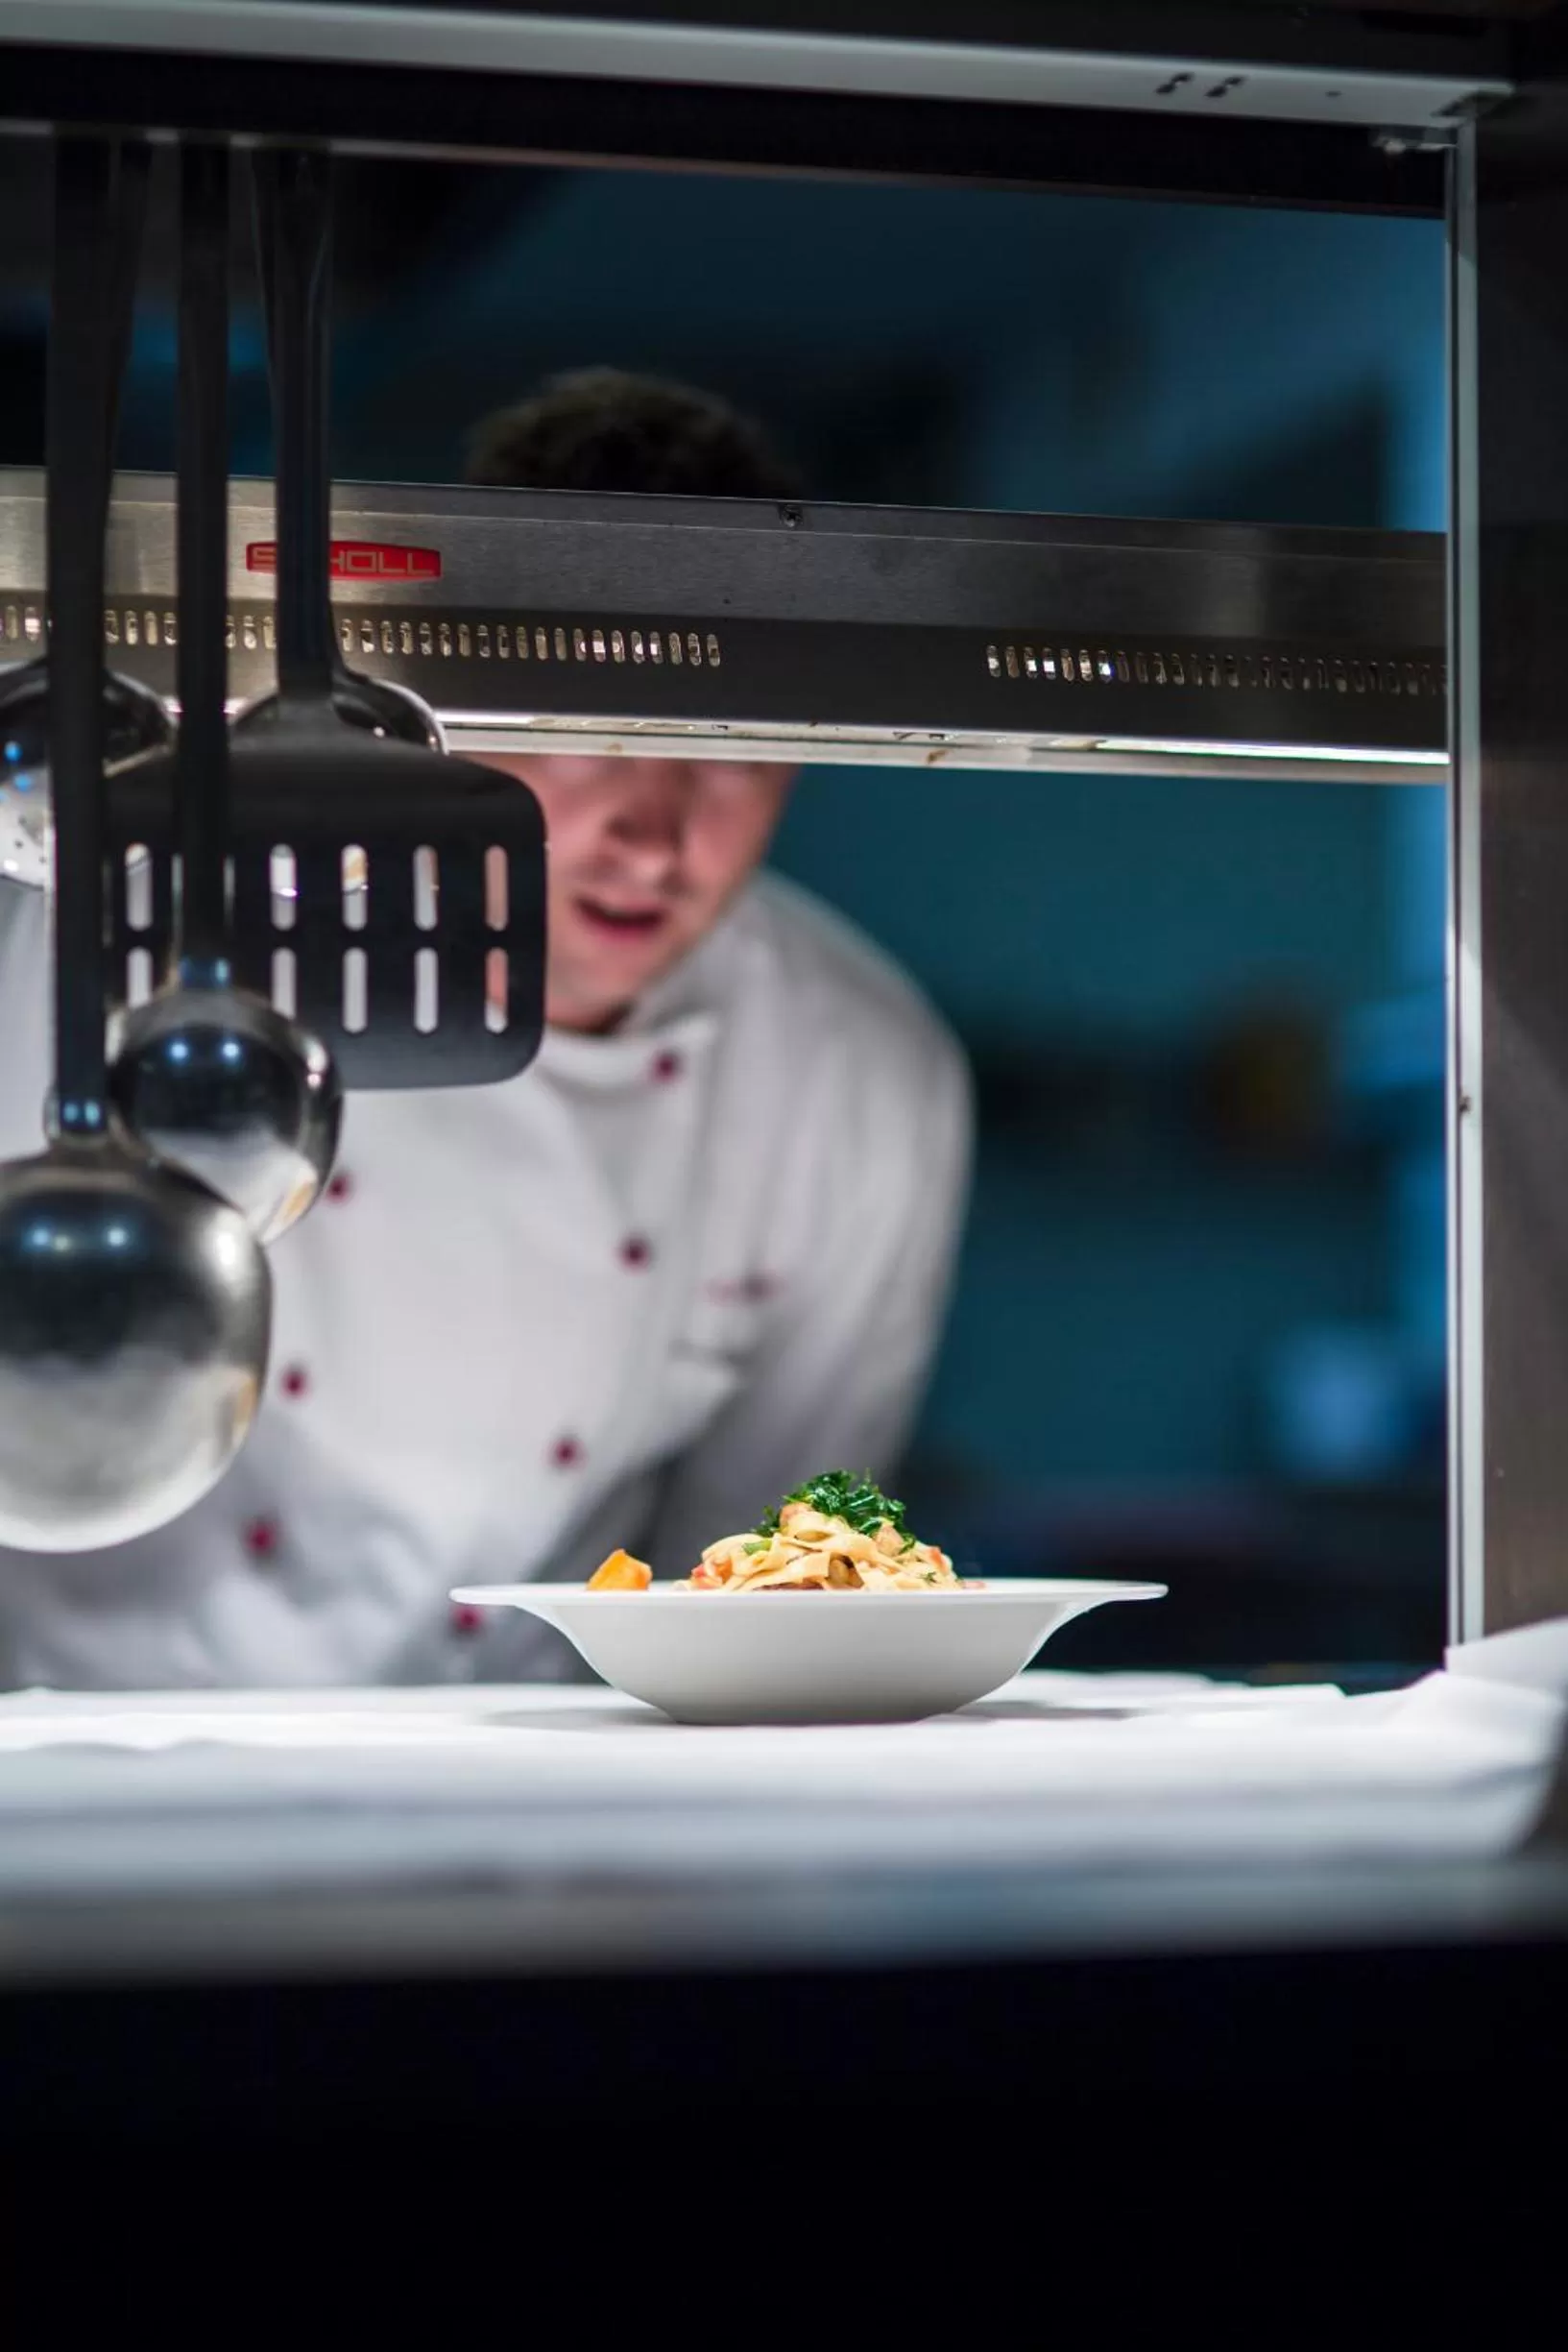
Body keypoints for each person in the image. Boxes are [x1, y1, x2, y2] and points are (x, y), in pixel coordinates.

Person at [0, 368, 971, 1687]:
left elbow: (769, 1558)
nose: (656, 827)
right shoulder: (133, 935)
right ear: (446, 706)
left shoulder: (860, 1074)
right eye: (596, 728)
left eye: (736, 739)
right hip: (95, 1743)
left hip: (524, 1776)